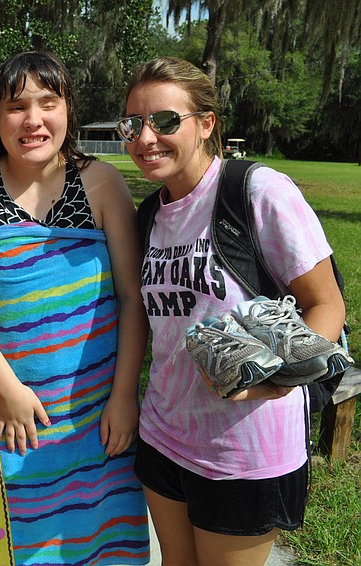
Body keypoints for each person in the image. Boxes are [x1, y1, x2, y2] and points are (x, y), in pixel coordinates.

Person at [118, 56, 346, 566]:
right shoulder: (150, 213)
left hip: (246, 448)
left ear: (206, 123)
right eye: (133, 124)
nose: (146, 138)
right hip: (164, 433)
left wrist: (276, 381)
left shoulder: (257, 191)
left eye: (165, 121)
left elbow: (326, 303)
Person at [0, 51, 150, 566]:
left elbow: (132, 298)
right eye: (16, 106)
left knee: (101, 536)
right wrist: (9, 390)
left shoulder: (102, 183)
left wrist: (124, 397)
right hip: (9, 411)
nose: (33, 119)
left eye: (48, 103)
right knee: (12, 536)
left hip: (96, 413)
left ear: (68, 111)